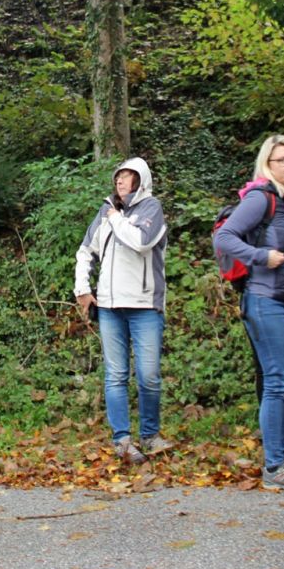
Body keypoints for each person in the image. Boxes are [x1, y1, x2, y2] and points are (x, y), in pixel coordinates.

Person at [213, 134, 284, 491]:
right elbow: (225, 237)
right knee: (277, 382)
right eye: (283, 160)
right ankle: (274, 465)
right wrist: (260, 257)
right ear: (268, 165)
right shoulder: (261, 199)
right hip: (266, 301)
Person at [74, 157, 172, 463]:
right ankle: (123, 440)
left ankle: (150, 436)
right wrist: (82, 289)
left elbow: (140, 241)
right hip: (109, 306)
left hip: (144, 305)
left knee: (149, 375)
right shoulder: (106, 211)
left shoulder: (151, 208)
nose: (120, 181)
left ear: (141, 181)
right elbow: (85, 251)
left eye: (128, 176)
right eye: (118, 176)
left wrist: (116, 218)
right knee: (116, 375)